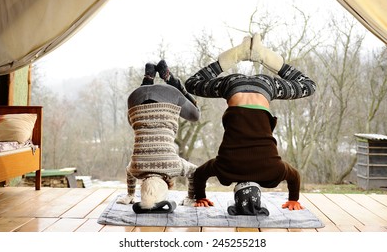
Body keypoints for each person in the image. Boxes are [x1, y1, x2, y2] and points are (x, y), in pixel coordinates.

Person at [184, 33, 316, 212]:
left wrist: (294, 199)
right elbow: (199, 174)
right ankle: (237, 55)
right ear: (235, 191)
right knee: (192, 84)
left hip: (264, 87)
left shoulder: (272, 173)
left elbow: (294, 176)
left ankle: (262, 55)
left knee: (308, 85)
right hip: (233, 86)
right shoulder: (225, 171)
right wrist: (201, 197)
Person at [116, 60, 200, 212]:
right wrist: (130, 195)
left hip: (170, 93)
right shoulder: (135, 169)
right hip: (135, 96)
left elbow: (195, 171)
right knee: (137, 120)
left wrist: (191, 197)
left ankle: (171, 80)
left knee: (196, 115)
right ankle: (148, 79)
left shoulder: (173, 167)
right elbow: (129, 173)